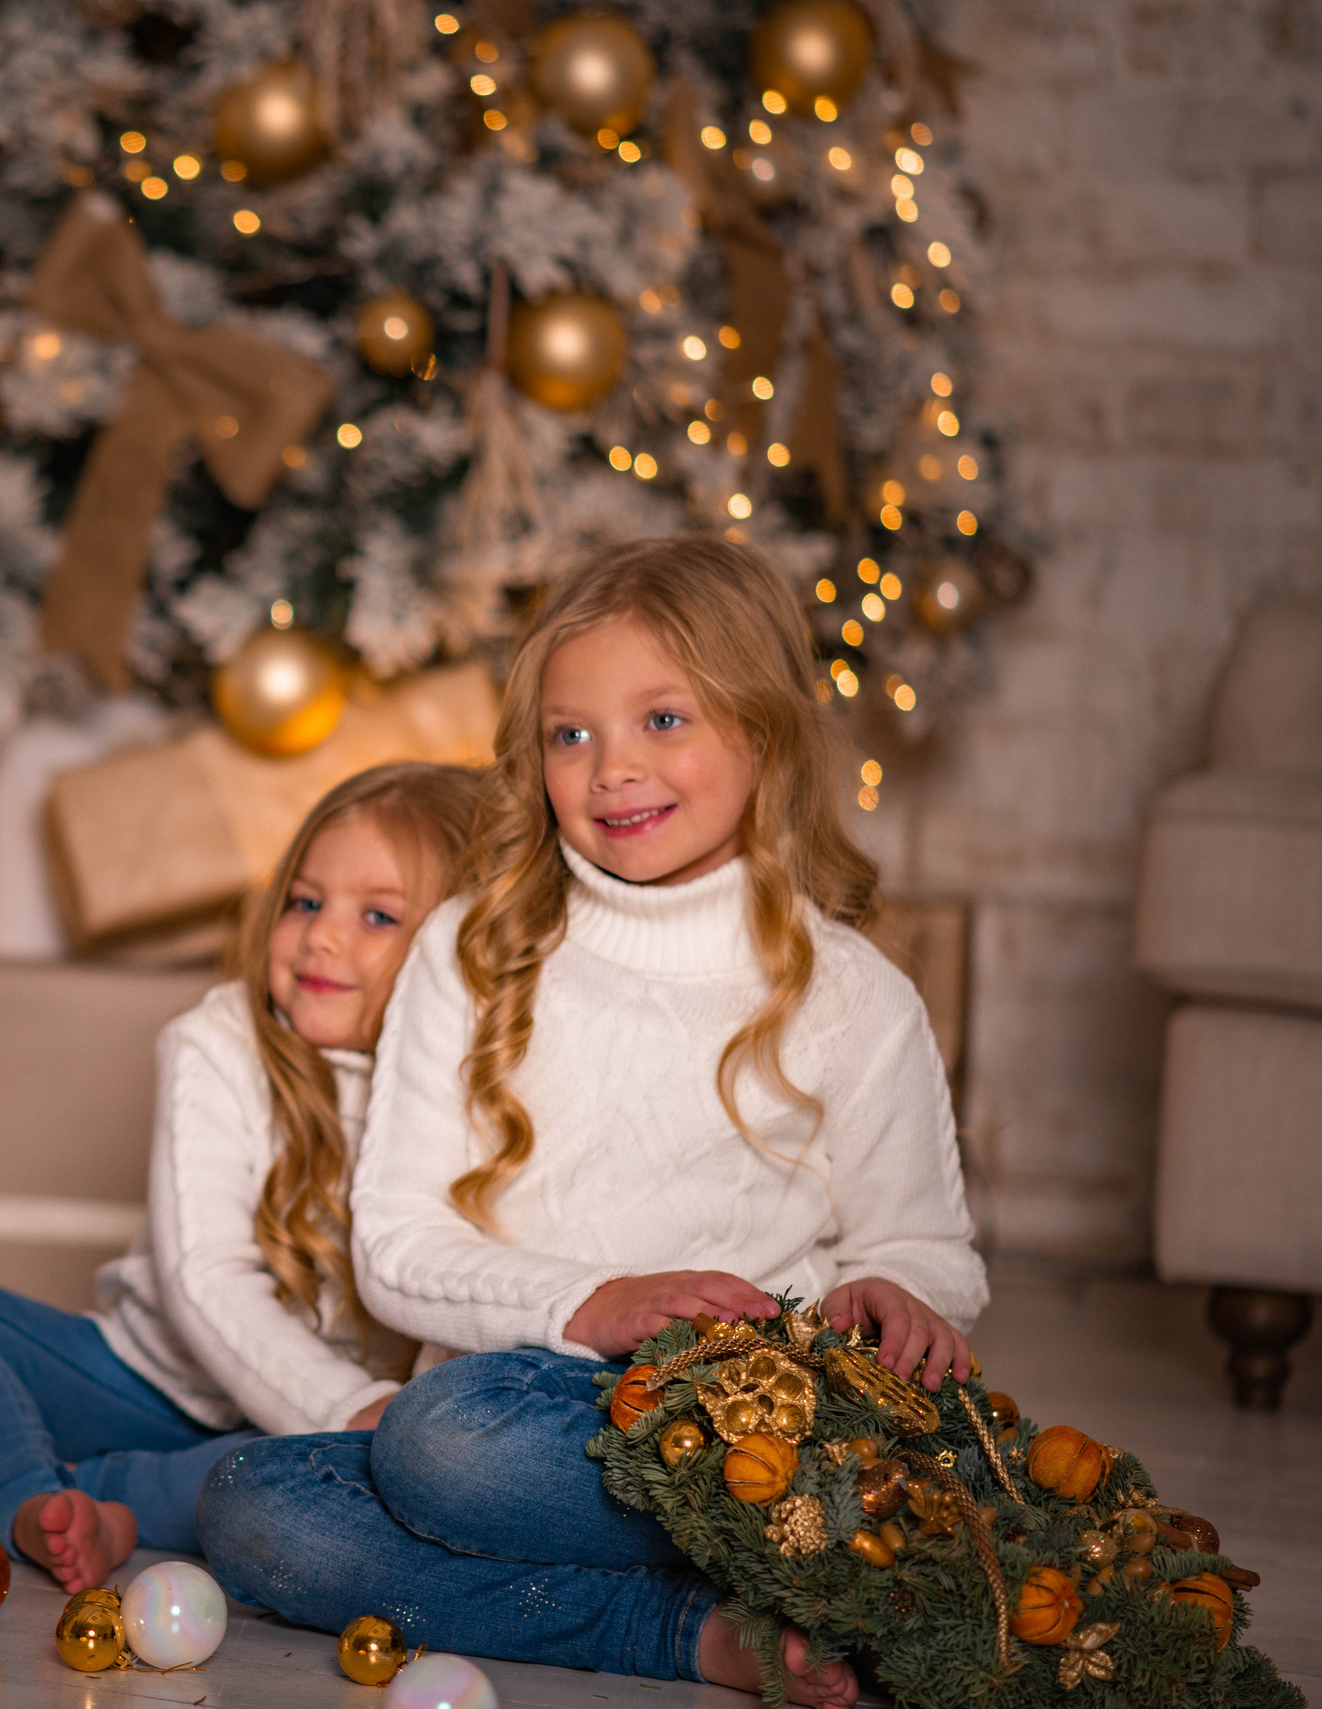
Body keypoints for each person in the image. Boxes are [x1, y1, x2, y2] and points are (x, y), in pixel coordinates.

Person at [198, 538, 986, 1707]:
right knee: (262, 1506)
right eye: (572, 735)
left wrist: (897, 1288)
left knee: (435, 1453)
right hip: (518, 1416)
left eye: (661, 720)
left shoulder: (852, 994)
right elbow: (394, 1245)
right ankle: (697, 1623)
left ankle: (828, 1526)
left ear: (760, 730)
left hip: (738, 1421)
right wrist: (589, 1306)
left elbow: (928, 1251)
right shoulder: (470, 950)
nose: (612, 769)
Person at [0, 762, 489, 1593]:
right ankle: (29, 1502)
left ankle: (95, 1495)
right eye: (305, 901)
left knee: (378, 1466)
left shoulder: (472, 1088)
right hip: (155, 1384)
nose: (322, 937)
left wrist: (376, 1423)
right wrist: (350, 1410)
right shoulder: (218, 1043)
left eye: (378, 915)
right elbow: (208, 1285)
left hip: (308, 1435)